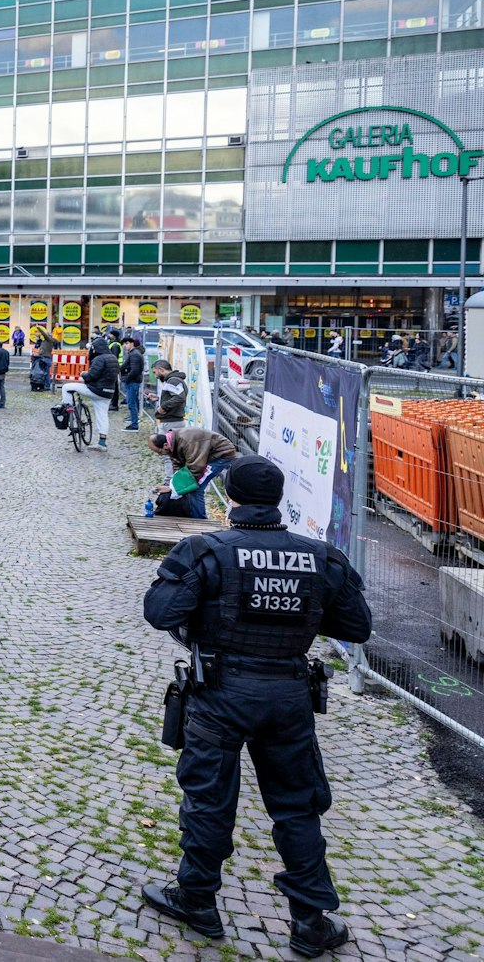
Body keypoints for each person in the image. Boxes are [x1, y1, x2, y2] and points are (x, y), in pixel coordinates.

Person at [141, 457, 371, 958]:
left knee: (208, 798)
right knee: (297, 806)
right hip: (288, 694)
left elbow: (160, 612)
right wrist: (297, 614)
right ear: (278, 498)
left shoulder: (204, 549)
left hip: (221, 692)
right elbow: (356, 626)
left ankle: (198, 898)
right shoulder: (320, 557)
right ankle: (310, 920)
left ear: (231, 497)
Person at [149, 427, 242, 519]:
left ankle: (200, 521)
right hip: (204, 457)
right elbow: (178, 465)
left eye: (159, 451)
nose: (160, 454)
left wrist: (172, 488)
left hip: (221, 455)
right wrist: (174, 483)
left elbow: (196, 468)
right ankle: (192, 514)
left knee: (196, 488)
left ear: (165, 445)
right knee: (188, 485)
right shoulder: (171, 444)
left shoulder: (186, 442)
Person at [59, 340, 118, 450]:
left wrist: (83, 374)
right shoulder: (113, 358)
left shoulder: (99, 359)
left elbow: (92, 376)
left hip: (96, 390)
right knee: (102, 415)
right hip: (108, 392)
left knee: (66, 387)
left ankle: (67, 409)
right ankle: (102, 443)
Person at [153, 360, 189, 434]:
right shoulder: (175, 380)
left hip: (171, 422)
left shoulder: (173, 381)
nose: (155, 376)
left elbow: (179, 397)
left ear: (161, 370)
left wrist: (163, 407)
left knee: (165, 444)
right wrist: (159, 399)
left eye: (155, 372)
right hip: (173, 421)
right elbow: (175, 397)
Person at [119, 337, 147, 430]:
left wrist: (127, 379)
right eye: (124, 344)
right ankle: (134, 420)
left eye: (126, 343)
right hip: (132, 380)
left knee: (131, 403)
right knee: (133, 401)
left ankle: (134, 424)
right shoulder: (133, 353)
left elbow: (135, 370)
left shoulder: (134, 354)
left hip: (132, 381)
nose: (124, 345)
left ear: (132, 343)